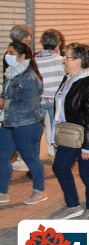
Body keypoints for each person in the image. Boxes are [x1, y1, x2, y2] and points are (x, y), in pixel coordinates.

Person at [51, 43, 89, 221]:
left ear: (78, 61)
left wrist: (88, 147)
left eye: (66, 57)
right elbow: (60, 107)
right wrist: (56, 134)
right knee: (59, 167)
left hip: (86, 137)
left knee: (86, 172)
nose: (63, 61)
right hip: (69, 134)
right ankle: (73, 206)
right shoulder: (69, 77)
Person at [0, 42, 45, 205]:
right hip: (9, 122)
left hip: (27, 124)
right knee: (1, 156)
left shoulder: (30, 77)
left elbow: (28, 106)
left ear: (22, 57)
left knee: (31, 158)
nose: (7, 56)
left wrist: (4, 103)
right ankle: (2, 192)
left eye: (11, 53)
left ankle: (39, 190)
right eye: (7, 53)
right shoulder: (11, 73)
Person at [35, 29, 65, 158]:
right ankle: (58, 162)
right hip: (55, 102)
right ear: (58, 43)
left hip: (38, 101)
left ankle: (33, 162)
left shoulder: (33, 60)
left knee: (35, 133)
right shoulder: (61, 60)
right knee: (56, 132)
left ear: (42, 42)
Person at [8, 25, 34, 173]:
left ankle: (25, 159)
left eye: (30, 36)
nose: (30, 38)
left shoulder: (25, 51)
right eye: (27, 35)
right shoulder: (14, 53)